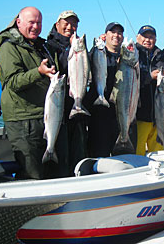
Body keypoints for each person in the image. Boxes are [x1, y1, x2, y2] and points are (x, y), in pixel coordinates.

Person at [0, 6, 56, 179]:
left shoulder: (39, 46)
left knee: (43, 168)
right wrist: (38, 72)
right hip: (22, 120)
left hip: (40, 116)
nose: (35, 26)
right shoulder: (9, 48)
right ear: (19, 22)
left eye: (39, 23)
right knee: (31, 171)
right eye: (31, 22)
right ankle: (28, 205)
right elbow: (12, 82)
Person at [45, 10, 89, 177]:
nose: (71, 27)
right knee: (61, 151)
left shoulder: (78, 45)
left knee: (78, 152)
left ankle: (77, 180)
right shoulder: (49, 45)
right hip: (58, 107)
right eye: (67, 23)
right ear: (58, 24)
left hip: (76, 108)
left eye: (74, 24)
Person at [85, 22, 125, 157]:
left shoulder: (126, 57)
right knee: (98, 154)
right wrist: (95, 47)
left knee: (120, 156)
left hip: (120, 113)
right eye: (112, 32)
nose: (116, 35)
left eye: (119, 33)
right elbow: (86, 63)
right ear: (105, 35)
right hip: (99, 114)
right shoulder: (97, 53)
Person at [135, 25, 164, 155]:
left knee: (158, 153)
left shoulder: (160, 55)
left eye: (151, 37)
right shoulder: (132, 53)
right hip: (140, 115)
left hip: (158, 116)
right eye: (144, 36)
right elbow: (131, 81)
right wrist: (149, 77)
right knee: (138, 151)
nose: (147, 40)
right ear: (137, 38)